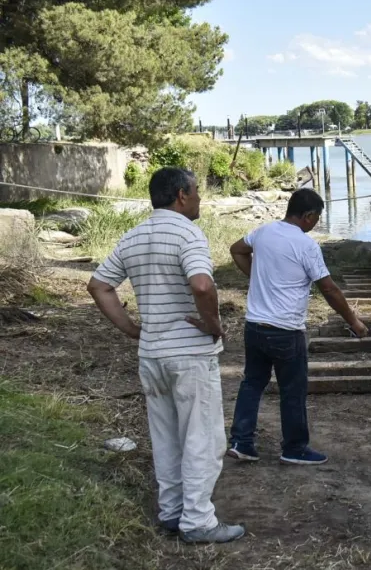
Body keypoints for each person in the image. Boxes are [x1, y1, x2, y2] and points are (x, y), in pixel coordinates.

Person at [87, 167, 244, 544]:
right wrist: (212, 323)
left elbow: (99, 285)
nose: (200, 198)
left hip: (152, 353)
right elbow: (202, 284)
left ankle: (172, 510)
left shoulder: (135, 234)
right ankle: (198, 521)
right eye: (196, 191)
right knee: (203, 438)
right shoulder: (188, 233)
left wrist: (132, 329)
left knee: (167, 437)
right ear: (180, 195)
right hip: (188, 355)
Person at [227, 188, 369, 466]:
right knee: (292, 389)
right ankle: (294, 447)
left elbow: (237, 249)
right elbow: (328, 288)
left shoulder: (263, 232)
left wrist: (256, 276)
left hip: (254, 326)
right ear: (308, 216)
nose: (316, 223)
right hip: (286, 331)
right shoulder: (306, 245)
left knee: (252, 383)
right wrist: (353, 320)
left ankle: (242, 442)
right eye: (316, 218)